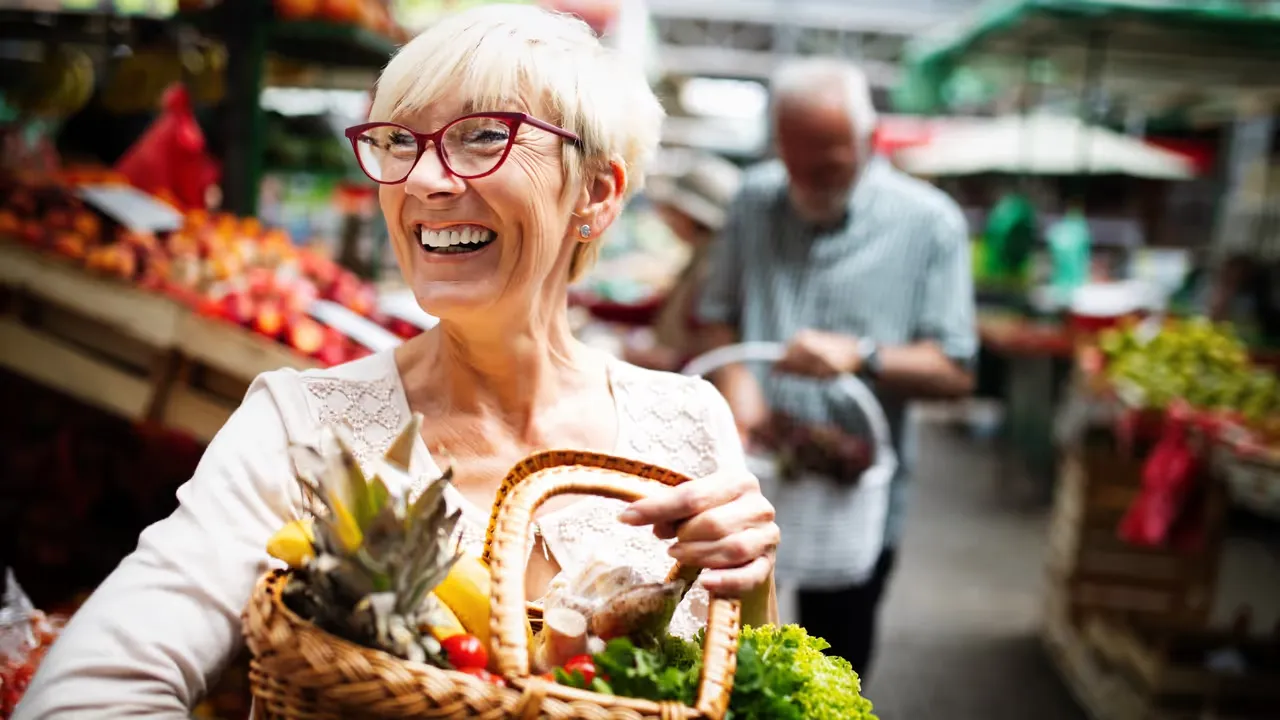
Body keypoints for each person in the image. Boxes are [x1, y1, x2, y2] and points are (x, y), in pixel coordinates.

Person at [15, 7, 779, 718]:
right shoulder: (301, 425)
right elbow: (84, 692)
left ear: (599, 193)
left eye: (484, 137)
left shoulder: (686, 422)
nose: (422, 180)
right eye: (398, 142)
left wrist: (753, 586)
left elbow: (758, 684)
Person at [697, 57, 978, 680]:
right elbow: (717, 315)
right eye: (793, 165)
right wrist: (738, 384)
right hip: (753, 475)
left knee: (832, 670)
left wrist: (864, 355)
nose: (805, 184)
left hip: (854, 503)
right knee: (724, 665)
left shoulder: (930, 225)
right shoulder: (753, 200)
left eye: (826, 167)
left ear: (869, 141)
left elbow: (956, 369)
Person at [623, 149, 743, 371]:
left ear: (691, 216)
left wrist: (671, 360)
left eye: (673, 213)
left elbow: (724, 349)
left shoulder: (718, 270)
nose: (669, 222)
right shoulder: (704, 256)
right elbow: (665, 310)